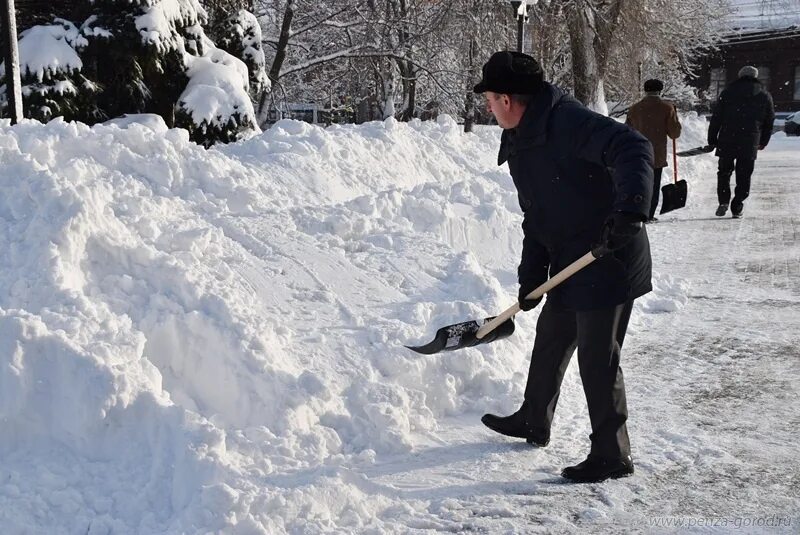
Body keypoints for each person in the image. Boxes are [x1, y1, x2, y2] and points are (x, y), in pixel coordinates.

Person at [473, 50, 654, 484]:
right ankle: (535, 418)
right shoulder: (521, 137)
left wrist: (629, 211)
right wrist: (531, 275)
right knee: (552, 338)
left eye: (490, 98)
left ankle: (612, 455)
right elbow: (537, 213)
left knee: (597, 357)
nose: (487, 107)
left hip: (608, 253)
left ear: (509, 99)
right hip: (571, 259)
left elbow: (633, 145)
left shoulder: (567, 123)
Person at [708, 65, 775, 218]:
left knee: (724, 172)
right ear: (755, 76)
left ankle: (723, 201)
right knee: (744, 174)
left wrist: (712, 139)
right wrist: (763, 140)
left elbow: (717, 117)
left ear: (740, 76)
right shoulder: (764, 95)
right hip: (750, 139)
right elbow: (769, 121)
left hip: (727, 138)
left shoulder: (728, 92)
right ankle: (737, 204)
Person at [625, 79, 682, 222]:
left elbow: (627, 131)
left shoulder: (634, 109)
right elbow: (674, 134)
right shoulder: (666, 108)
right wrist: (675, 118)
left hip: (638, 153)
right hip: (656, 154)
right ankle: (649, 214)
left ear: (645, 90)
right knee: (654, 185)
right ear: (660, 91)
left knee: (639, 183)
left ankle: (637, 210)